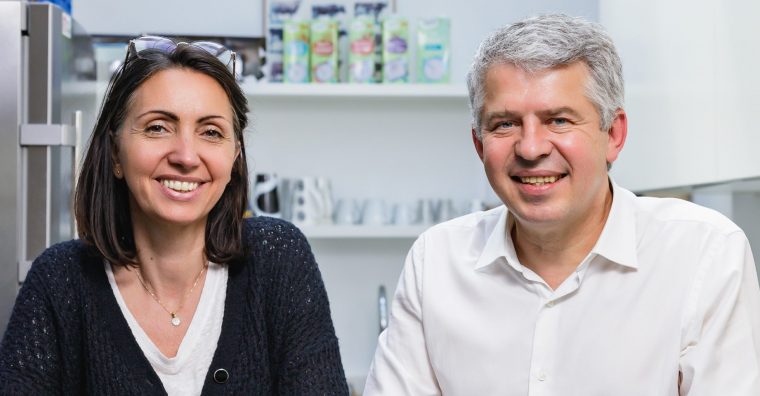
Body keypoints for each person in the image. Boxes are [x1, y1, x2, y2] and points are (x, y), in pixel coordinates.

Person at [364, 14, 760, 395]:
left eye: (559, 120)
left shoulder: (704, 253)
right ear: (478, 143)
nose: (531, 148)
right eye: (505, 123)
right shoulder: (436, 261)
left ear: (614, 135)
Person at [0, 36, 348, 395]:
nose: (185, 155)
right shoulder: (60, 282)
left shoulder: (279, 260)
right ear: (116, 154)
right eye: (157, 127)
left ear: (235, 158)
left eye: (211, 132)